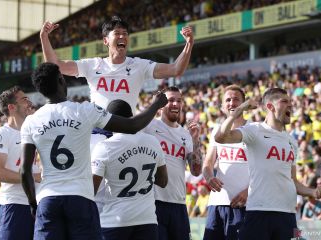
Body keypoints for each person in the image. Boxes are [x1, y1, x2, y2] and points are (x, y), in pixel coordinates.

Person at [19, 62, 167, 240]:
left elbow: (24, 170)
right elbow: (132, 125)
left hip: (49, 198)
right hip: (81, 197)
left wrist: (33, 203)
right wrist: (156, 105)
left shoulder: (31, 122)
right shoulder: (85, 110)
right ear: (61, 80)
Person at [214, 87, 321, 240]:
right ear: (270, 106)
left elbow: (293, 181)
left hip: (287, 214)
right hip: (259, 212)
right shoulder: (254, 130)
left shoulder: (292, 141)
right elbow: (221, 137)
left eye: (290, 102)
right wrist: (239, 109)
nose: (291, 105)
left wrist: (313, 192)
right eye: (284, 102)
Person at [40, 16, 193, 113]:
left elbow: (175, 69)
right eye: (117, 33)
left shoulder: (139, 65)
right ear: (105, 40)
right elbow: (55, 66)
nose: (122, 36)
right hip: (97, 134)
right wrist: (44, 37)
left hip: (126, 132)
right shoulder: (92, 65)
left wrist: (189, 44)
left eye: (125, 34)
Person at [92, 99, 168, 240]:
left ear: (110, 120)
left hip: (115, 221)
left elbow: (92, 189)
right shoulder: (152, 141)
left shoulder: (105, 147)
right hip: (147, 220)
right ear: (131, 116)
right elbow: (163, 181)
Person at [143, 86, 203, 240]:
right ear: (161, 104)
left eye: (179, 101)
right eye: (170, 100)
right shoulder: (149, 126)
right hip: (153, 202)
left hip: (178, 203)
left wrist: (196, 141)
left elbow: (196, 171)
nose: (175, 104)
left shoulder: (186, 134)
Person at [0, 86, 41, 240]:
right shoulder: (1, 134)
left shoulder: (35, 131)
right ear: (11, 107)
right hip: (14, 205)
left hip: (39, 202)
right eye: (24, 99)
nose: (30, 102)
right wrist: (33, 177)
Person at [202, 85, 250, 239]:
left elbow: (265, 170)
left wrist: (249, 191)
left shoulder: (254, 129)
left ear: (244, 104)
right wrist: (209, 177)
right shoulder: (217, 129)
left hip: (244, 204)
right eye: (228, 100)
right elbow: (208, 163)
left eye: (236, 99)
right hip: (217, 203)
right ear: (222, 106)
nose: (232, 103)